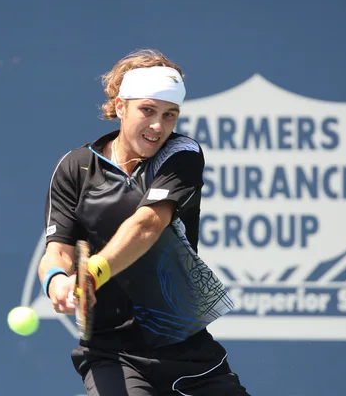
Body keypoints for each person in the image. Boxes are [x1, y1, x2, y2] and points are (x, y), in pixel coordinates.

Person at [37, 49, 250, 396]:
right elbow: (57, 248)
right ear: (121, 107)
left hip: (187, 347)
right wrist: (56, 280)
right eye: (147, 111)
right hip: (110, 351)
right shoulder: (75, 167)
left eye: (170, 115)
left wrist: (92, 271)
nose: (158, 126)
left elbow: (148, 223)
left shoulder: (180, 154)